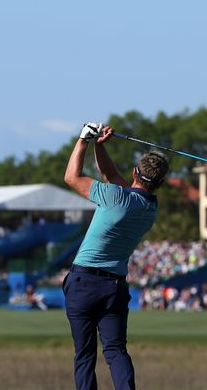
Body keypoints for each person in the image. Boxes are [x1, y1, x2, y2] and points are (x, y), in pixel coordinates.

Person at [63, 122, 169, 390]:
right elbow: (113, 178)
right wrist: (100, 147)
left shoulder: (116, 197)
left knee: (85, 354)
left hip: (84, 282)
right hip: (114, 287)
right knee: (115, 350)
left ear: (135, 172)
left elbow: (72, 178)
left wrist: (84, 140)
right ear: (160, 183)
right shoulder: (149, 207)